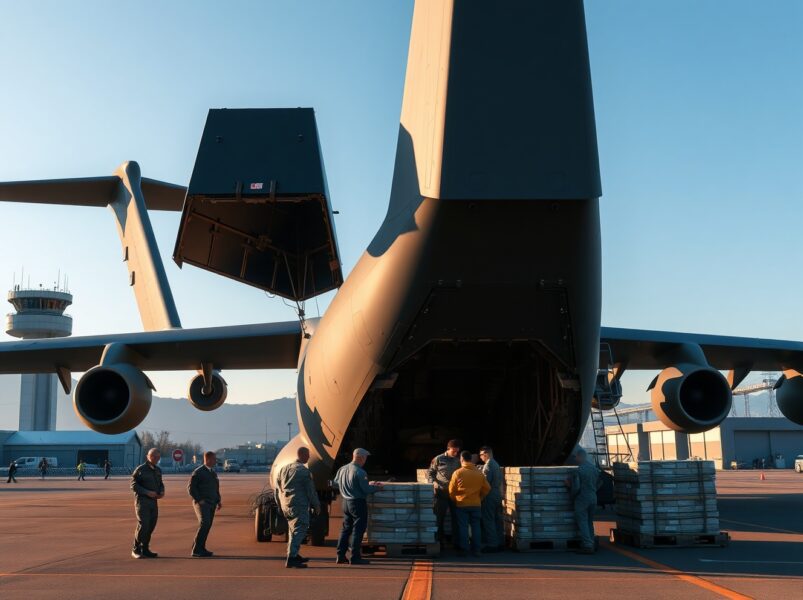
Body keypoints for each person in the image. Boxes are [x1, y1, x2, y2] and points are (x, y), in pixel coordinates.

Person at [333, 448, 384, 565]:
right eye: (365, 458)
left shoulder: (342, 469)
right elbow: (366, 489)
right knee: (358, 530)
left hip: (345, 502)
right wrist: (377, 487)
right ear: (361, 457)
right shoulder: (360, 472)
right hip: (357, 503)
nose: (365, 460)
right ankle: (355, 557)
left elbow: (336, 483)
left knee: (345, 529)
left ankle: (340, 556)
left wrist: (347, 487)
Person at [274, 446, 320, 569]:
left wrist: (279, 504)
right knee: (301, 528)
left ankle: (293, 554)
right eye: (308, 455)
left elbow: (276, 489)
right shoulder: (303, 471)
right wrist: (317, 506)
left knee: (292, 530)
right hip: (298, 504)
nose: (309, 457)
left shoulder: (284, 469)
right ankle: (292, 558)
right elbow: (311, 491)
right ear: (303, 455)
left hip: (286, 505)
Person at [448, 450, 490, 557]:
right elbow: (487, 488)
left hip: (462, 504)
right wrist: (480, 498)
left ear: (461, 459)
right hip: (476, 504)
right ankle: (477, 550)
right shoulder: (479, 473)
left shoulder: (458, 473)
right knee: (476, 527)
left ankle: (464, 549)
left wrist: (455, 499)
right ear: (471, 460)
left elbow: (451, 491)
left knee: (463, 527)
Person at [565, 447, 601, 554]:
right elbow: (600, 483)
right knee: (590, 521)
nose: (575, 459)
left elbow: (576, 488)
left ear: (581, 457)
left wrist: (568, 487)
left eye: (576, 457)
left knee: (583, 521)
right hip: (593, 497)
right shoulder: (595, 469)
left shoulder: (579, 470)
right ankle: (592, 542)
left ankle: (587, 545)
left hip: (582, 498)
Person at [130, 448, 165, 559]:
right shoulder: (141, 469)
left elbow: (160, 483)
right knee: (143, 525)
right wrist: (147, 492)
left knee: (151, 526)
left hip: (153, 502)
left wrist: (162, 491)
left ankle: (145, 548)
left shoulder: (158, 470)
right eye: (153, 456)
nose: (156, 459)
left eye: (158, 457)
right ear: (148, 456)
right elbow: (133, 485)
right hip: (142, 502)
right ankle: (136, 549)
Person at [427, 439, 462, 545]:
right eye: (453, 451)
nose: (455, 453)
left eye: (457, 451)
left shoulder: (458, 460)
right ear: (448, 449)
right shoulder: (438, 459)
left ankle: (456, 543)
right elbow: (429, 473)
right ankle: (439, 542)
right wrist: (433, 483)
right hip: (441, 492)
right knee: (439, 518)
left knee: (456, 518)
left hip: (454, 493)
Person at [188, 450, 222, 558]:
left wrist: (218, 500)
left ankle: (200, 548)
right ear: (207, 459)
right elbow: (191, 488)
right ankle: (196, 549)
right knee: (205, 524)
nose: (215, 461)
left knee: (208, 525)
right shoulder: (198, 472)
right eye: (214, 459)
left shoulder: (212, 472)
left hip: (211, 503)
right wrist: (199, 500)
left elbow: (215, 488)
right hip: (202, 503)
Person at [479, 446, 504, 552]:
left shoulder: (488, 465)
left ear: (485, 454)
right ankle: (500, 542)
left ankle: (492, 544)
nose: (480, 457)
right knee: (497, 520)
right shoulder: (496, 464)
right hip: (497, 493)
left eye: (481, 455)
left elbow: (485, 484)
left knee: (488, 520)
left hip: (489, 494)